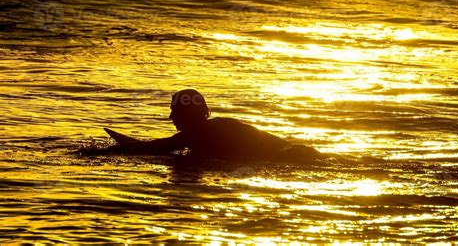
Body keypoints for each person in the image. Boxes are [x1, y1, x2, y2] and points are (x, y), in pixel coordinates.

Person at [103, 89, 322, 162]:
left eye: (175, 112)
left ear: (187, 115)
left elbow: (149, 149)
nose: (171, 116)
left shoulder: (197, 133)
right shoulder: (219, 125)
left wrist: (100, 153)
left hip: (291, 156)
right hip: (299, 151)